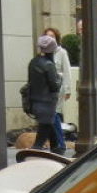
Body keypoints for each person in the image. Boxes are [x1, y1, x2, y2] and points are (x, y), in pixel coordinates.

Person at [26, 34, 62, 152]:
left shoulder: (33, 62)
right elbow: (54, 86)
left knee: (49, 127)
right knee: (40, 139)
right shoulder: (49, 65)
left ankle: (57, 148)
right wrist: (60, 78)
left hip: (34, 101)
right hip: (47, 103)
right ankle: (34, 154)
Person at [42, 26, 73, 154]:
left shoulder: (62, 52)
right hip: (46, 89)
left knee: (53, 114)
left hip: (58, 89)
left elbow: (67, 71)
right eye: (48, 36)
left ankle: (60, 143)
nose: (50, 38)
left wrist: (68, 89)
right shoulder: (43, 54)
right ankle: (56, 143)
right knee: (53, 116)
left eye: (52, 36)